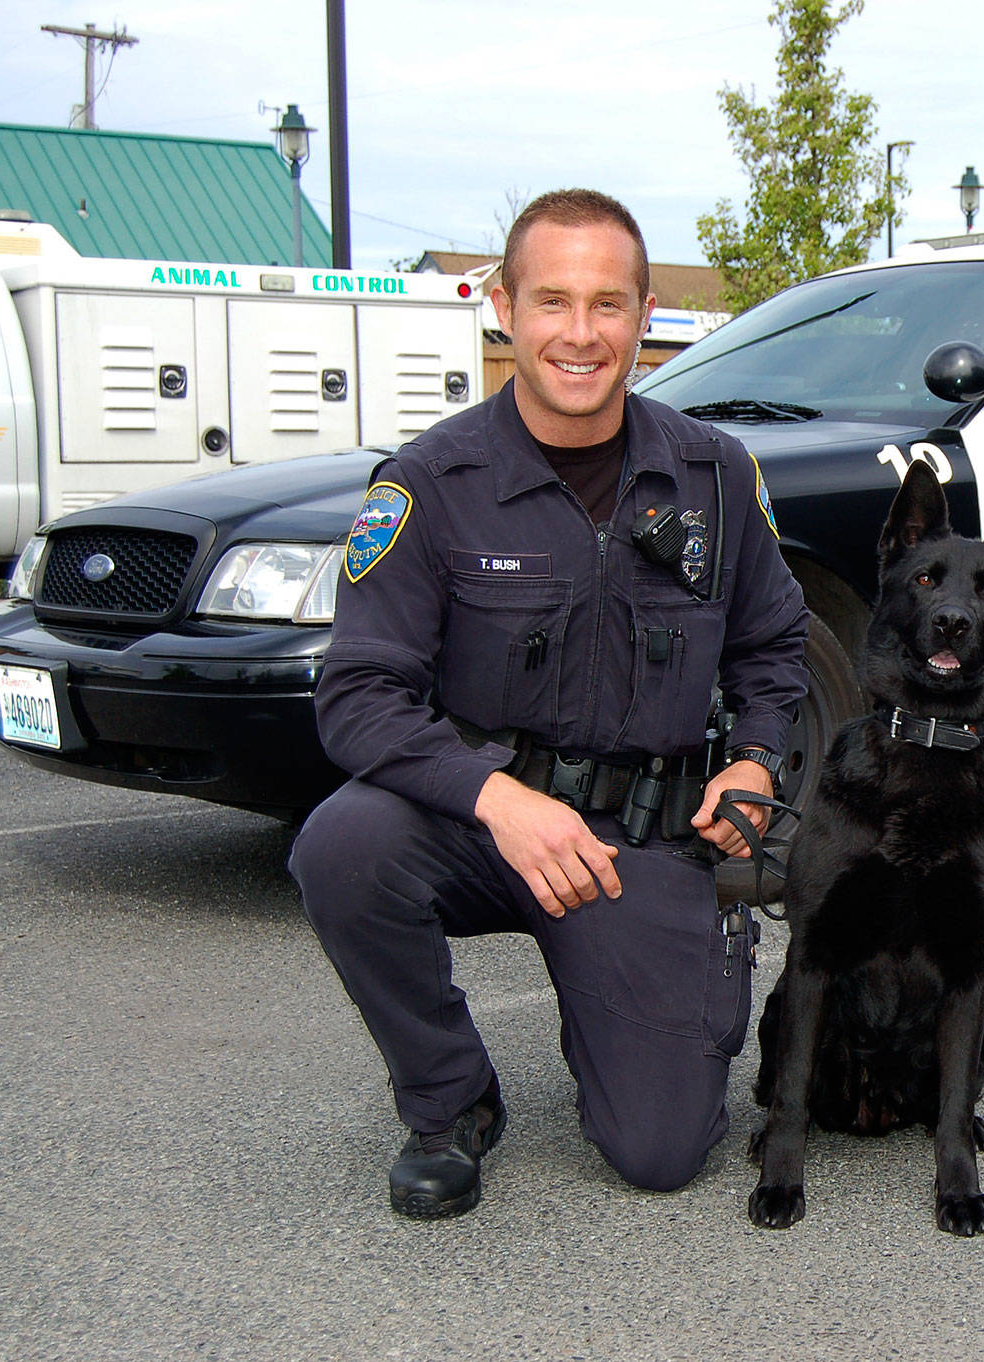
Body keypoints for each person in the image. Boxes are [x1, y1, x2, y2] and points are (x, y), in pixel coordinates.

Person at [289, 188, 809, 1218]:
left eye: (608, 305)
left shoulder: (710, 475)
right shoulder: (432, 484)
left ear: (646, 313)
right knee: (343, 846)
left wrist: (753, 756)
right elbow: (357, 696)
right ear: (503, 307)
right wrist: (497, 800)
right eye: (553, 302)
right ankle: (449, 1100)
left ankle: (658, 989)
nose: (581, 335)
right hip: (480, 821)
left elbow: (774, 644)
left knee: (660, 1153)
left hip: (639, 842)